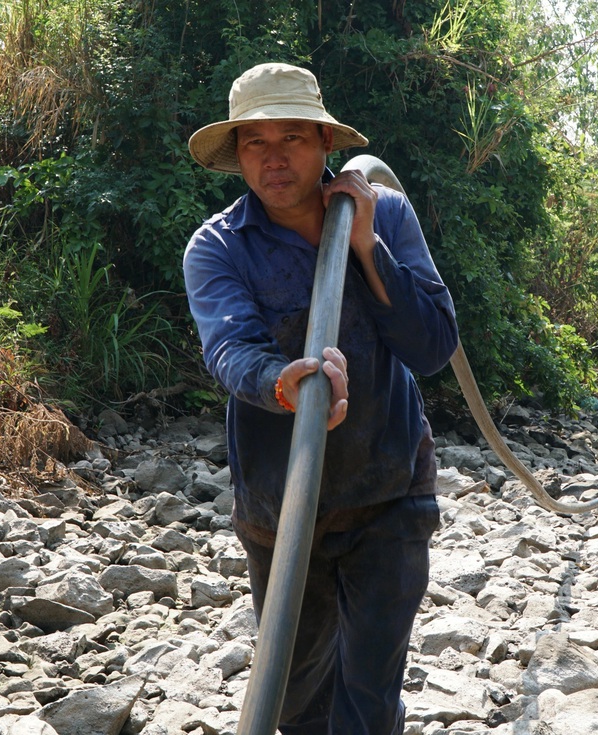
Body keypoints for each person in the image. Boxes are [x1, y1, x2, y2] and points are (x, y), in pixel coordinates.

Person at [182, 62, 459, 735]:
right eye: (256, 142)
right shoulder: (217, 247)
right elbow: (231, 352)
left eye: (292, 139)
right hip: (282, 509)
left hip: (390, 492)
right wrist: (291, 382)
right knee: (298, 706)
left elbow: (433, 345)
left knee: (367, 704)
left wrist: (366, 248)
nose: (274, 159)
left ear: (325, 144)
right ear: (238, 154)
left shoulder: (385, 213)